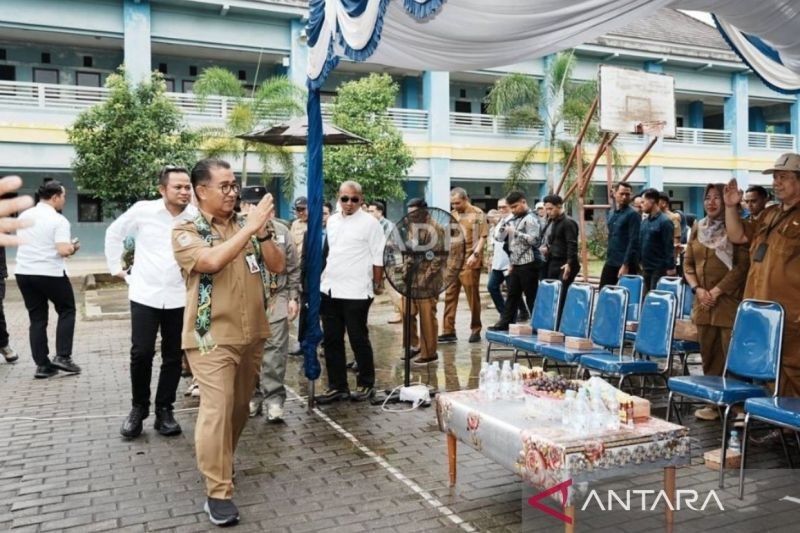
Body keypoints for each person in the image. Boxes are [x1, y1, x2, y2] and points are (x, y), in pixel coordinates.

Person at [172, 158, 285, 527]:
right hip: (210, 336)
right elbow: (210, 261)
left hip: (252, 332)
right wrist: (249, 228)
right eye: (224, 186)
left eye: (234, 184)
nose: (233, 191)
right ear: (201, 191)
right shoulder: (186, 228)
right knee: (217, 410)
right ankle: (218, 491)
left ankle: (221, 461)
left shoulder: (246, 224)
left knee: (238, 409)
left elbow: (277, 266)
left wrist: (263, 232)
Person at [105, 165, 198, 439]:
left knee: (173, 355)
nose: (184, 191)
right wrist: (116, 269)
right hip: (145, 294)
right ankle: (138, 409)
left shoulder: (196, 216)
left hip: (180, 296)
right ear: (162, 189)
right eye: (177, 187)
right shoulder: (143, 210)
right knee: (141, 352)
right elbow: (114, 232)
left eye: (187, 187)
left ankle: (164, 410)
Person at [724, 153, 800, 398]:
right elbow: (738, 236)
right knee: (770, 373)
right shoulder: (769, 214)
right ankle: (782, 429)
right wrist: (730, 206)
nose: (777, 182)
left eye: (784, 177)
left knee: (793, 370)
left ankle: (792, 429)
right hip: (762, 311)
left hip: (791, 315)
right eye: (775, 177)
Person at [683, 183, 749, 421]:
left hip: (728, 302)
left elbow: (742, 266)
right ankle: (714, 403)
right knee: (708, 353)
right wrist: (698, 289)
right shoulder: (697, 227)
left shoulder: (737, 228)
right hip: (702, 302)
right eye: (707, 198)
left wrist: (718, 291)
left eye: (717, 198)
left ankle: (737, 405)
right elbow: (687, 263)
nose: (711, 202)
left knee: (731, 354)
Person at [315, 181, 385, 404]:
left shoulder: (370, 224)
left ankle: (366, 383)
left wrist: (377, 283)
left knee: (358, 339)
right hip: (330, 289)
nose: (349, 203)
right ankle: (338, 386)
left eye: (354, 199)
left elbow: (378, 256)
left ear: (361, 200)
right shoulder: (333, 220)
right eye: (345, 198)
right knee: (332, 340)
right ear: (339, 197)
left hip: (356, 291)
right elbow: (329, 252)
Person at [15, 180, 81, 379]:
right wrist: (73, 247)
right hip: (49, 272)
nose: (64, 200)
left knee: (37, 319)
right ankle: (63, 356)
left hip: (24, 272)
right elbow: (63, 250)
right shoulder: (58, 220)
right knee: (67, 309)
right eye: (63, 196)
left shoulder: (25, 215)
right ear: (54, 197)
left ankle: (43, 366)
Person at [249, 217, 300, 422]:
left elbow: (293, 266)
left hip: (276, 295)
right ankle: (252, 395)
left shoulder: (281, 231)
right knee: (249, 351)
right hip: (248, 298)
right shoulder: (237, 229)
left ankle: (274, 399)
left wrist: (293, 296)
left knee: (275, 350)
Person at [488, 191, 541, 331]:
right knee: (512, 295)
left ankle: (538, 325)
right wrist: (503, 225)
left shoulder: (531, 218)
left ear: (524, 202)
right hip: (516, 263)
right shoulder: (513, 219)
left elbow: (535, 241)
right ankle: (505, 322)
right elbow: (501, 240)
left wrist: (515, 232)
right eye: (511, 207)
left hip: (529, 263)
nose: (513, 210)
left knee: (531, 296)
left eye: (515, 206)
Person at [440, 188, 487, 344]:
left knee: (472, 297)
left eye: (457, 203)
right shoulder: (452, 214)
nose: (454, 206)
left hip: (469, 261)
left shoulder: (478, 213)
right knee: (449, 296)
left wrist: (476, 255)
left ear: (466, 199)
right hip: (453, 261)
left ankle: (475, 329)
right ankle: (448, 331)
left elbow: (482, 237)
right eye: (452, 203)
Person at [401, 198, 442, 365]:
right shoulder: (412, 226)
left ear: (424, 211)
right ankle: (412, 345)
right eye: (410, 213)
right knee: (407, 313)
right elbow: (410, 249)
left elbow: (439, 258)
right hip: (412, 276)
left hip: (429, 277)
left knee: (427, 316)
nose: (412, 216)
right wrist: (405, 269)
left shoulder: (435, 228)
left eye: (415, 213)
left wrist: (426, 279)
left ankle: (429, 353)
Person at [540, 194, 579, 316]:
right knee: (552, 293)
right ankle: (552, 321)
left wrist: (569, 264)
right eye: (546, 209)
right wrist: (547, 249)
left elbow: (572, 244)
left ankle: (561, 323)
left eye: (551, 209)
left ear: (559, 206)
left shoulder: (568, 222)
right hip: (552, 261)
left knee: (562, 296)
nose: (548, 212)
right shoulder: (552, 221)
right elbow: (554, 241)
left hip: (564, 263)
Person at [600, 182, 640, 288]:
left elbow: (633, 240)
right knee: (604, 292)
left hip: (626, 262)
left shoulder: (633, 214)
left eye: (627, 194)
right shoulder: (611, 213)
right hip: (611, 260)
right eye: (622, 193)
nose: (624, 197)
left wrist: (625, 264)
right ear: (615, 193)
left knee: (627, 294)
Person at [369, 200, 403, 324]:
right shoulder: (373, 224)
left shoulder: (388, 225)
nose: (369, 213)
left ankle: (406, 314)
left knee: (393, 291)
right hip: (377, 263)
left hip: (389, 263)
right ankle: (401, 314)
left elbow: (391, 245)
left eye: (372, 211)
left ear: (380, 212)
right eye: (368, 211)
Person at [639, 188, 676, 291]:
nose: (641, 205)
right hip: (646, 268)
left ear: (652, 201)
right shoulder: (644, 222)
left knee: (655, 299)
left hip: (659, 269)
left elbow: (668, 246)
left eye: (643, 202)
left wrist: (670, 268)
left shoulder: (665, 222)